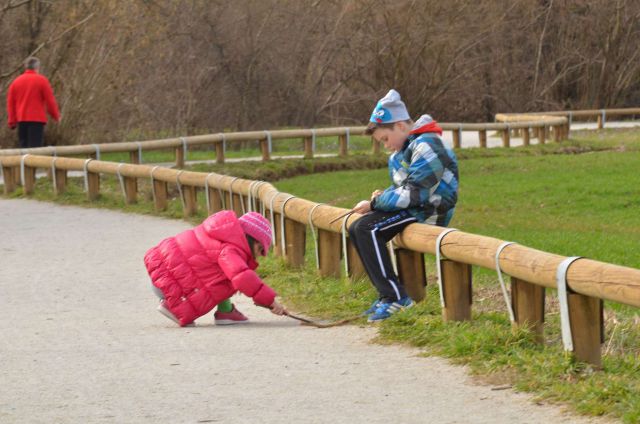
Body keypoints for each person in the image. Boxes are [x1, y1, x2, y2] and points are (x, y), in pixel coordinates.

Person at [349, 89, 459, 322]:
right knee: (356, 227)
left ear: (400, 126)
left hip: (430, 211)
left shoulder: (428, 145)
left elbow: (415, 193)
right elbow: (403, 188)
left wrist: (375, 203)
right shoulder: (400, 153)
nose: (386, 146)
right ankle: (386, 296)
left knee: (367, 228)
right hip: (414, 208)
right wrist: (384, 195)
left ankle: (396, 297)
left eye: (385, 140)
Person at [144, 210, 287, 327]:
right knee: (235, 273)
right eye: (260, 249)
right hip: (168, 286)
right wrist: (270, 301)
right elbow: (242, 277)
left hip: (161, 274)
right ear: (252, 240)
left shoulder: (220, 235)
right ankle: (173, 304)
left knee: (222, 272)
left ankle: (226, 310)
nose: (258, 255)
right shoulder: (230, 249)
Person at [6, 57, 60, 148]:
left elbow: (11, 104)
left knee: (24, 149)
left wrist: (12, 121)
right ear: (37, 68)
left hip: (21, 119)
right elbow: (50, 101)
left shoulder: (16, 82)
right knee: (35, 149)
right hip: (37, 120)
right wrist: (56, 116)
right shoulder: (42, 81)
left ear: (25, 67)